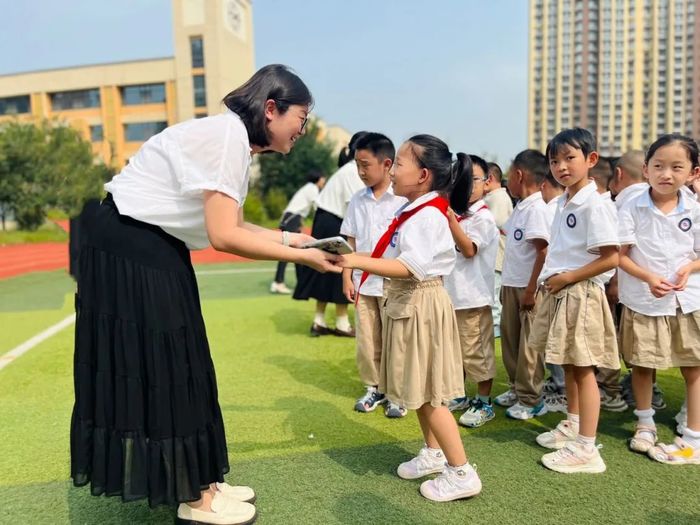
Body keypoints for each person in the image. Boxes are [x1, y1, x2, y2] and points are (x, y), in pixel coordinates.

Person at [71, 64, 340, 525]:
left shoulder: (231, 139)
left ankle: (203, 482)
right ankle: (196, 499)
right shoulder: (227, 139)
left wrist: (291, 240)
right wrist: (304, 259)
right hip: (131, 244)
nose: (303, 128)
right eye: (301, 116)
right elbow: (224, 236)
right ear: (271, 109)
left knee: (187, 359)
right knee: (169, 363)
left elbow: (230, 224)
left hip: (147, 243)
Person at [338, 135, 482, 502]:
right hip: (410, 304)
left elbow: (409, 266)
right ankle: (434, 454)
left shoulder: (427, 215)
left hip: (420, 304)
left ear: (423, 175)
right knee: (418, 390)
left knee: (431, 396)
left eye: (399, 163)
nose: (393, 168)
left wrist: (355, 260)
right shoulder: (415, 210)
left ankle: (461, 471)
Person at [529, 128, 620, 474]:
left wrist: (567, 278)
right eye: (555, 160)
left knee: (583, 368)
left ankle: (586, 448)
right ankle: (573, 423)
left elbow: (611, 257)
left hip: (580, 292)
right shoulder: (563, 201)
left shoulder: (594, 204)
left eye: (570, 158)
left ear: (591, 160)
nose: (561, 166)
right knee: (569, 363)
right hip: (561, 291)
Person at [617, 134, 700, 464]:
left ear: (693, 172)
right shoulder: (631, 205)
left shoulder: (695, 209)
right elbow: (619, 255)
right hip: (644, 299)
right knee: (643, 363)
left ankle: (693, 435)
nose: (667, 174)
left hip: (687, 299)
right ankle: (645, 423)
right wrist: (648, 277)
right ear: (646, 168)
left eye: (677, 167)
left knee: (693, 366)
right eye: (659, 166)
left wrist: (689, 268)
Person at [340, 132, 407, 417]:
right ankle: (374, 388)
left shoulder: (402, 199)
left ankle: (397, 393)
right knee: (368, 339)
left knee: (397, 339)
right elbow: (350, 241)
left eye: (366, 165)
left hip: (394, 283)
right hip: (364, 283)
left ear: (387, 163)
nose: (361, 171)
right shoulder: (358, 200)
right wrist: (346, 276)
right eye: (357, 165)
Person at [494, 150, 554, 419]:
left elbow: (543, 252)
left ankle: (531, 399)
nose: (508, 181)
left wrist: (531, 290)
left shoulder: (537, 209)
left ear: (519, 175)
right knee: (510, 341)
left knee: (529, 346)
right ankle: (517, 389)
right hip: (512, 284)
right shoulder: (521, 207)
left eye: (510, 175)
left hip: (529, 288)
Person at [293, 132, 368, 337]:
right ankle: (342, 323)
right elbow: (355, 206)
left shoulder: (347, 169)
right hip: (334, 221)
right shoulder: (353, 171)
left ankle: (319, 321)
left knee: (325, 270)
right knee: (340, 268)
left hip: (325, 219)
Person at [444, 154, 499, 428]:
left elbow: (468, 250)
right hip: (452, 296)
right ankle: (462, 396)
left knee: (478, 353)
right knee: (456, 353)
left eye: (472, 180)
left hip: (473, 298)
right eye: (459, 180)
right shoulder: (460, 214)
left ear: (487, 183)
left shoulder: (483, 217)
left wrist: (451, 221)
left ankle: (484, 402)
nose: (465, 185)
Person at [270, 172, 327, 294]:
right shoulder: (312, 188)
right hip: (292, 218)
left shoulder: (309, 187)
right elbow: (318, 206)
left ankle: (301, 283)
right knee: (286, 251)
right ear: (318, 179)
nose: (324, 181)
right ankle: (278, 282)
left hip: (292, 218)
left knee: (298, 251)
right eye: (323, 179)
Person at [483, 162, 513, 337]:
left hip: (497, 259)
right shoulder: (492, 198)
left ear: (490, 178)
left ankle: (496, 336)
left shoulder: (499, 197)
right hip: (492, 259)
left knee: (495, 302)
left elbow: (494, 223)